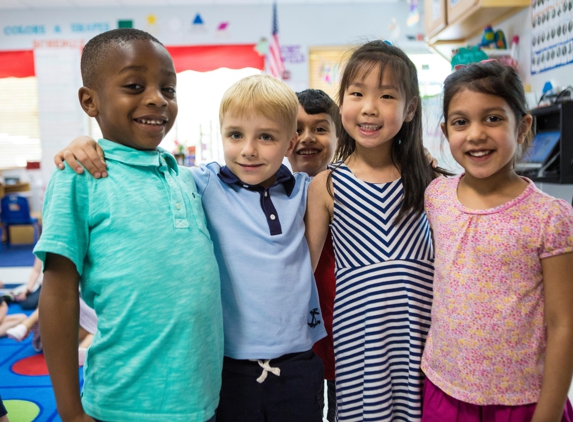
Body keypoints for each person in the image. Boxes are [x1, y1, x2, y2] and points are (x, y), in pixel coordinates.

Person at [54, 74, 327, 422]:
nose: (248, 149)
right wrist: (85, 142)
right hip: (227, 363)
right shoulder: (200, 182)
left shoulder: (308, 189)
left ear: (290, 143)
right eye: (235, 135)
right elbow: (143, 167)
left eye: (266, 137)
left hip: (298, 359)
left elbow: (355, 173)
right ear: (222, 135)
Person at [35, 28, 223, 422]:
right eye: (135, 86)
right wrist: (70, 412)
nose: (157, 98)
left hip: (200, 399)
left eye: (168, 90)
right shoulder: (79, 174)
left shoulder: (185, 177)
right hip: (123, 403)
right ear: (90, 101)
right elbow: (58, 295)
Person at [305, 40, 449, 421]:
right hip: (359, 341)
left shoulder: (431, 181)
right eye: (357, 93)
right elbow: (299, 272)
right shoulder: (327, 184)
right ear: (342, 103)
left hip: (424, 336)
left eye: (386, 95)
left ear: (410, 108)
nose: (369, 107)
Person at [421, 61, 573, 422]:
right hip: (444, 389)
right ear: (445, 130)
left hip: (522, 400)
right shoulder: (437, 196)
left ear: (522, 126)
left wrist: (548, 413)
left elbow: (564, 323)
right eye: (461, 122)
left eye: (492, 118)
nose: (475, 134)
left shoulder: (551, 217)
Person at [291, 89, 339, 422]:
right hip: (296, 334)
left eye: (320, 128)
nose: (307, 138)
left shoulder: (351, 186)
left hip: (344, 328)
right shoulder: (269, 188)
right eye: (297, 129)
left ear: (340, 135)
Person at [7, 296, 97, 364]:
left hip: (56, 337)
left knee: (54, 297)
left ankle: (24, 326)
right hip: (69, 333)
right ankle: (82, 349)